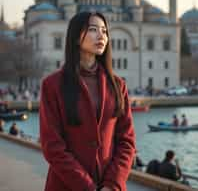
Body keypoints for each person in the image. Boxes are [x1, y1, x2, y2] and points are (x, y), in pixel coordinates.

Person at [39, 12, 136, 191]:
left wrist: (111, 184)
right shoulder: (52, 85)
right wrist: (88, 187)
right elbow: (52, 146)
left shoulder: (117, 85)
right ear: (76, 37)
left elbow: (126, 142)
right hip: (66, 186)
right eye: (93, 30)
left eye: (104, 31)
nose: (101, 36)